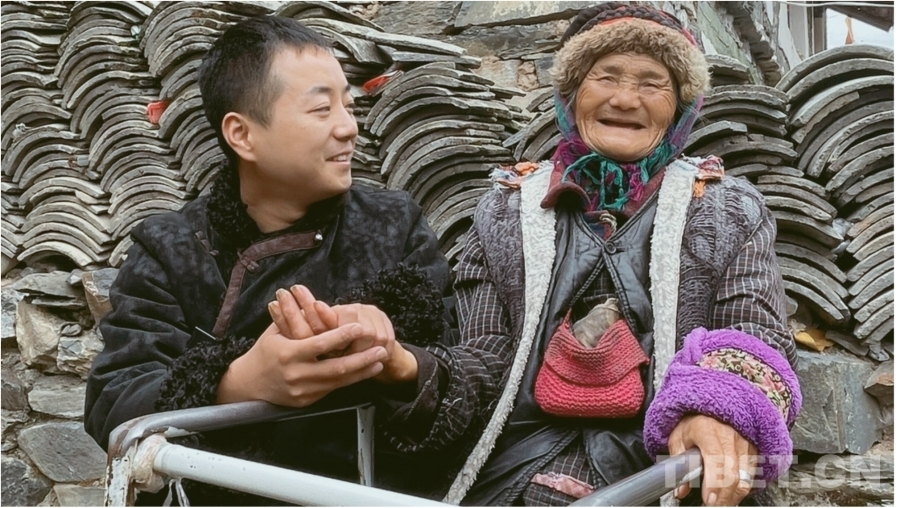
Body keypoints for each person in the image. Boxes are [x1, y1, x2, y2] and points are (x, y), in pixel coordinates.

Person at [277, 3, 802, 506]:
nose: (625, 99)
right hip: (515, 470)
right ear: (571, 93)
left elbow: (755, 329)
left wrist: (717, 407)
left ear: (681, 105)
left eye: (652, 83)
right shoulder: (506, 211)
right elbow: (486, 358)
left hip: (661, 473)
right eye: (606, 77)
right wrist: (403, 365)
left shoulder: (726, 209)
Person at [84, 16, 453, 505]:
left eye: (348, 105)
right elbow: (113, 399)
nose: (348, 127)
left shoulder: (393, 224)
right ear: (242, 134)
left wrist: (394, 358)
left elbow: (458, 371)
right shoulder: (172, 246)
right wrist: (239, 382)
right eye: (321, 108)